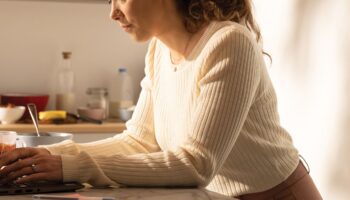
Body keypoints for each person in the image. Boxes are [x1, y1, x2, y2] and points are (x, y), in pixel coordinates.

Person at [0, 0, 322, 199]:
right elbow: (138, 141)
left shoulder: (229, 44)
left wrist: (68, 165)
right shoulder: (158, 51)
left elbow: (196, 164)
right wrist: (44, 156)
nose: (112, 13)